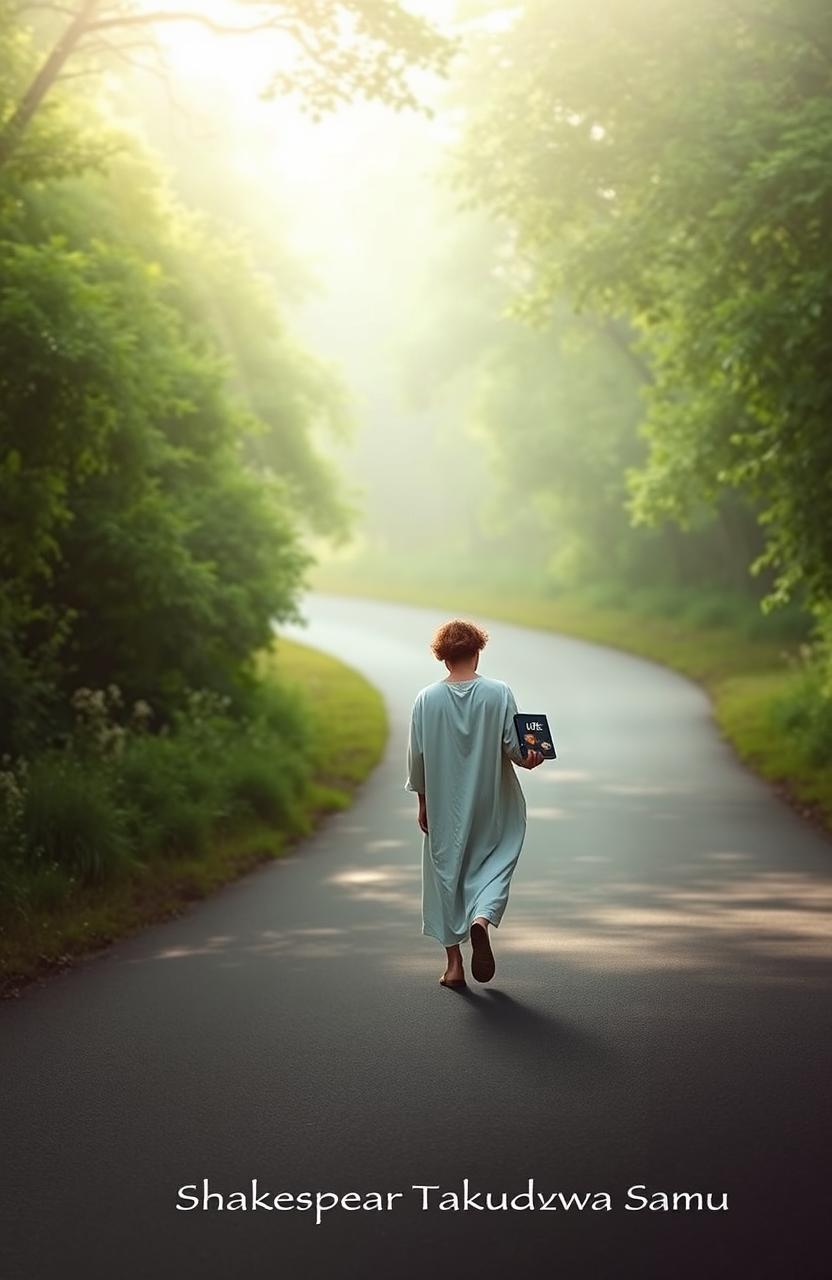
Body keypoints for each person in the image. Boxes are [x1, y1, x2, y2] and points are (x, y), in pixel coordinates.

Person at [404, 618, 544, 989]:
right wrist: (532, 758)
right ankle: (481, 919)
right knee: (496, 862)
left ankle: (454, 966)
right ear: (477, 652)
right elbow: (516, 750)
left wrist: (423, 802)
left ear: (444, 658)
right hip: (493, 803)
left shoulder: (425, 700)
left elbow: (417, 759)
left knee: (445, 874)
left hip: (444, 806)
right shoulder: (499, 693)